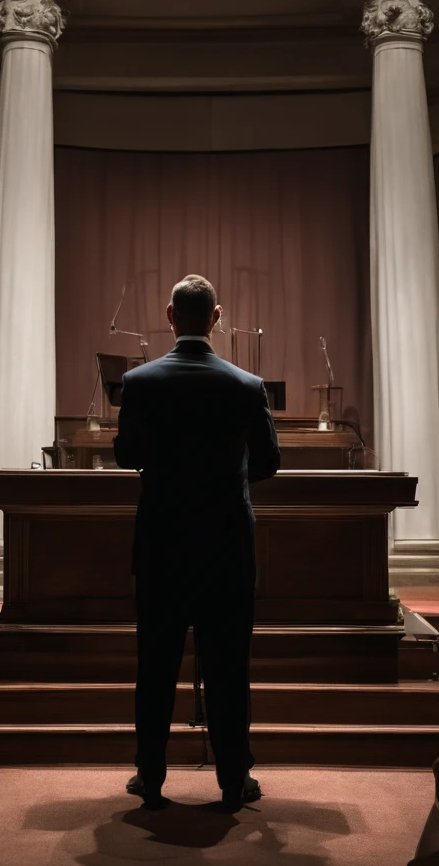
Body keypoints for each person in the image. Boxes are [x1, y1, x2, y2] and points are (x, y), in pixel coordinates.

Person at [113, 274, 281, 812]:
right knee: (230, 666)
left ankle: (151, 777)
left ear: (169, 316)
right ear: (216, 317)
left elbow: (125, 456)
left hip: (162, 545)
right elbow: (270, 464)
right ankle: (234, 780)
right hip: (227, 548)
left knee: (155, 666)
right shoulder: (246, 385)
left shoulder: (139, 382)